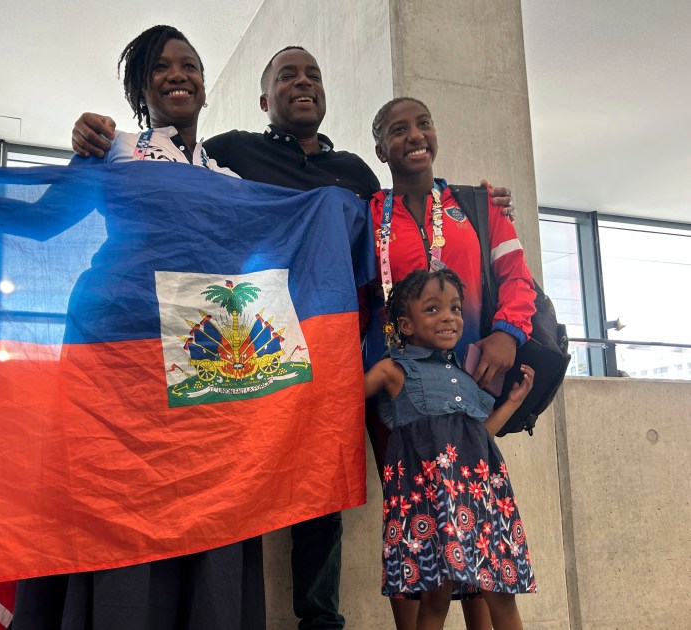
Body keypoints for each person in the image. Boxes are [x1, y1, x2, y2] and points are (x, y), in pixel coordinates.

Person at [70, 46, 518, 630]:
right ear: (264, 100)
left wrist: (475, 203)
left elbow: (400, 216)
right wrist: (90, 140)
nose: (302, 84)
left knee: (365, 482)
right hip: (263, 342)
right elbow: (179, 181)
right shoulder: (231, 152)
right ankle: (272, 613)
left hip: (343, 345)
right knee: (277, 484)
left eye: (312, 76)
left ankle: (327, 615)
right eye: (287, 76)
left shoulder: (357, 173)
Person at [11, 25, 264, 630]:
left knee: (205, 494)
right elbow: (44, 221)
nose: (179, 75)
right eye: (161, 67)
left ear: (205, 85)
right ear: (139, 88)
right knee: (118, 489)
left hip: (206, 348)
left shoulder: (228, 177)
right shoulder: (115, 147)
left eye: (191, 65)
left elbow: (275, 246)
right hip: (115, 344)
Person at [365, 97, 538, 629]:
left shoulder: (479, 205)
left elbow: (515, 275)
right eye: (399, 130)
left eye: (424, 123)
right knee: (416, 523)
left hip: (470, 383)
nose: (415, 136)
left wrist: (508, 334)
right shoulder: (366, 212)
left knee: (472, 518)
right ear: (381, 147)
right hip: (396, 388)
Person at [364, 267, 536, 630]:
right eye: (432, 309)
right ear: (406, 325)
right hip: (430, 502)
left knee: (500, 593)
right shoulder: (394, 370)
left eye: (456, 309)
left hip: (480, 498)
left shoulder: (466, 376)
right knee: (435, 597)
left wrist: (512, 404)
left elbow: (478, 436)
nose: (448, 317)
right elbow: (339, 398)